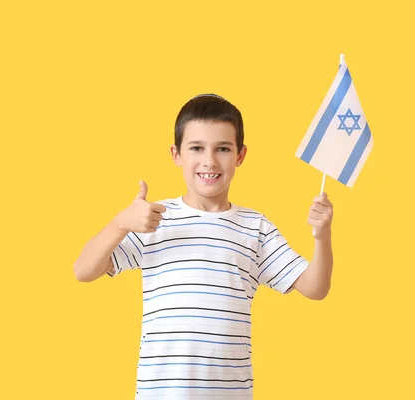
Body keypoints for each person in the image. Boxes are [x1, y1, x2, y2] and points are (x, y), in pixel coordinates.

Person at [73, 94, 334, 399]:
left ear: (240, 155)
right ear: (176, 154)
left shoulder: (256, 227)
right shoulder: (153, 219)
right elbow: (83, 270)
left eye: (222, 148)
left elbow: (316, 288)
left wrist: (323, 234)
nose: (209, 161)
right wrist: (120, 223)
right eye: (196, 148)